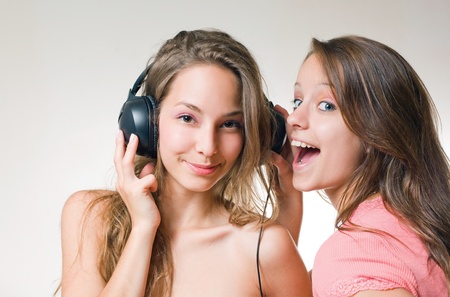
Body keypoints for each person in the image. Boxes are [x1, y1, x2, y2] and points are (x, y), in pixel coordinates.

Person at [59, 29, 312, 297]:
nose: (208, 147)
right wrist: (144, 229)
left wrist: (290, 198)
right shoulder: (89, 216)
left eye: (230, 124)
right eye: (187, 118)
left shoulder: (266, 247)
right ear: (147, 122)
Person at [274, 35, 450, 296]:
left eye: (326, 105)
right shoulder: (409, 226)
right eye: (297, 102)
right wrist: (289, 199)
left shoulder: (354, 254)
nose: (295, 119)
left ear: (374, 133)